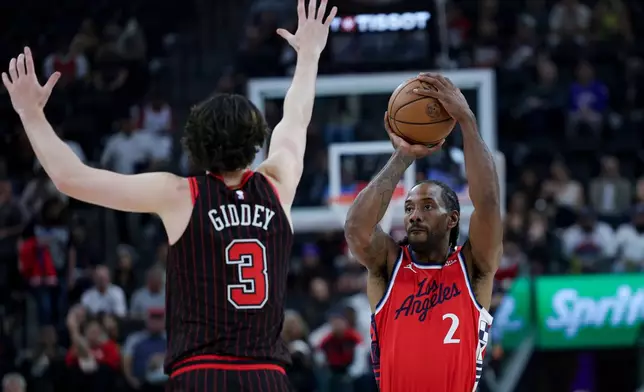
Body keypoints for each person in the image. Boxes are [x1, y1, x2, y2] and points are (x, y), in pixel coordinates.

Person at [1, 0, 337, 390]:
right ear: (255, 140)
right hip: (264, 375)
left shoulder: (178, 194)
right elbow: (296, 118)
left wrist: (30, 115)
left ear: (195, 142)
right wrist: (309, 55)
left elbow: (71, 178)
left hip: (200, 374)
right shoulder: (278, 183)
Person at [344, 73, 503, 392]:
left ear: (452, 219)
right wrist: (402, 157)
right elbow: (356, 229)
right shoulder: (388, 265)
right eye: (409, 208)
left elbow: (487, 202)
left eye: (427, 206)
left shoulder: (474, 268)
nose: (414, 215)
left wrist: (467, 123)